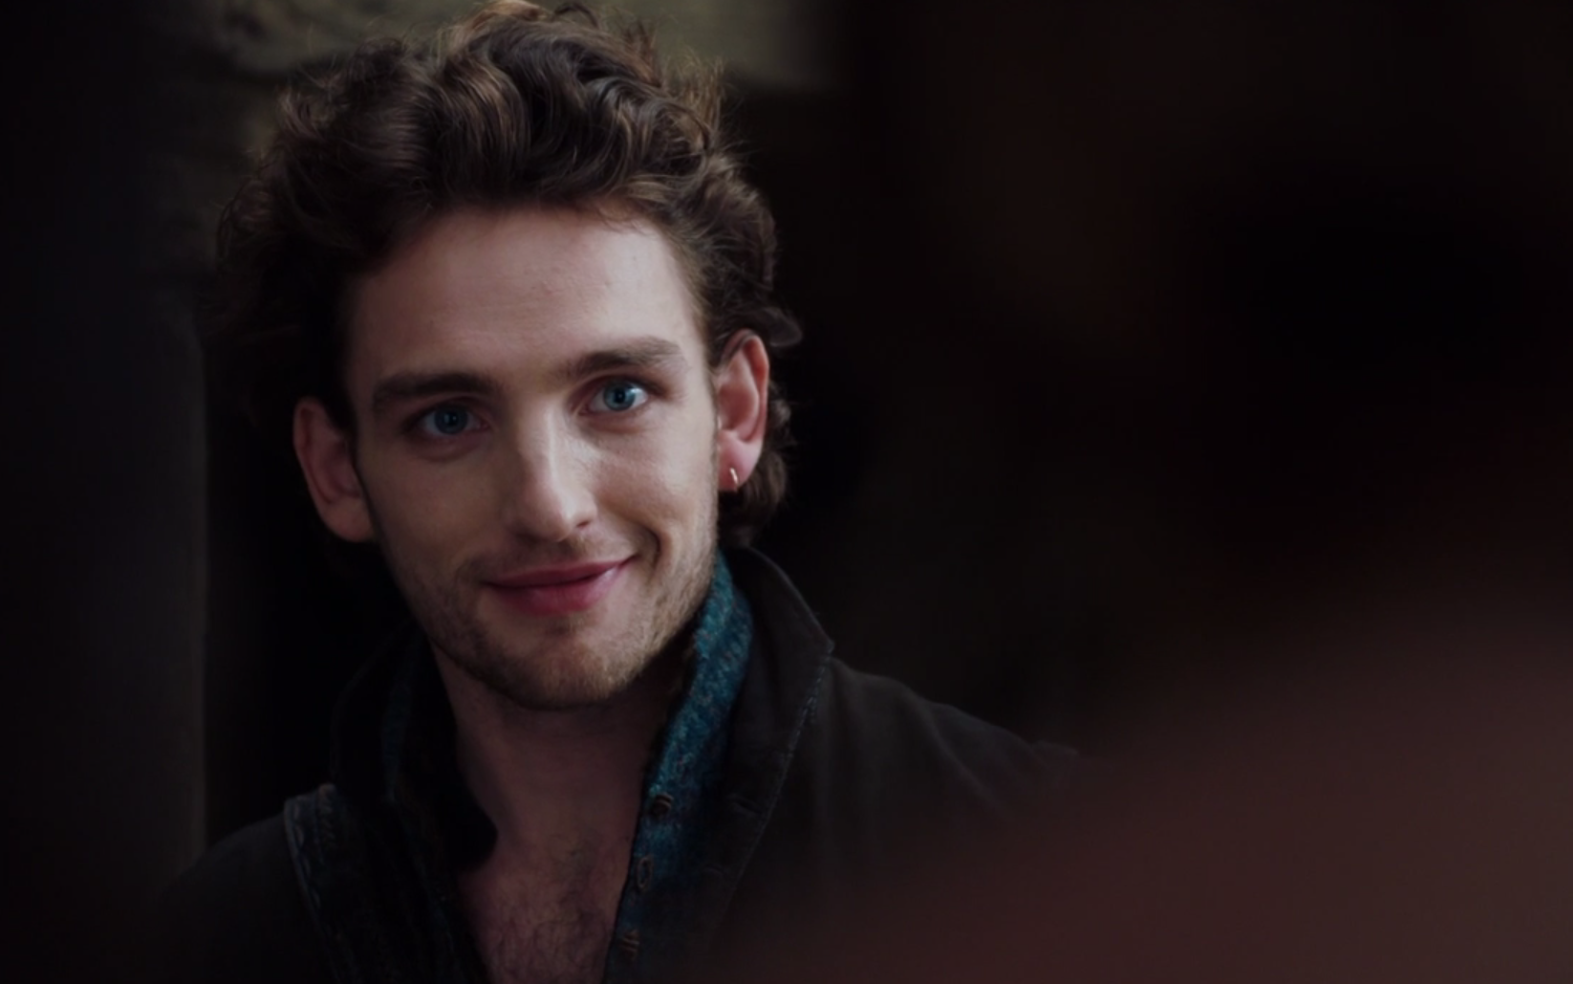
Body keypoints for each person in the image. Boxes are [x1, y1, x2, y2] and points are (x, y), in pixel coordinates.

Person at [153, 4, 1079, 982]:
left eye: (619, 395)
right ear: (337, 468)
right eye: (449, 419)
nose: (550, 506)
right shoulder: (215, 945)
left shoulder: (1037, 858)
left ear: (734, 415)